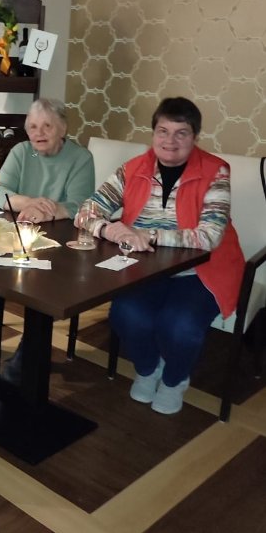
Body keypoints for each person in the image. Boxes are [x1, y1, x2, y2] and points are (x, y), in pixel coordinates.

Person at [81, 97, 244, 415]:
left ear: (195, 137)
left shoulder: (216, 172)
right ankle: (148, 368)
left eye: (181, 133)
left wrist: (150, 236)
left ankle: (174, 380)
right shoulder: (133, 169)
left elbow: (210, 236)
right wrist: (110, 230)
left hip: (202, 270)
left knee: (179, 326)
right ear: (153, 133)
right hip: (146, 268)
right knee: (126, 314)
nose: (170, 141)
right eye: (163, 131)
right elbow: (87, 210)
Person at [0, 98, 95, 381]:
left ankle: (29, 353)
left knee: (44, 283)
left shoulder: (81, 158)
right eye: (32, 126)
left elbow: (80, 205)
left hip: (60, 240)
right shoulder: (21, 151)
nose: (39, 133)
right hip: (20, 230)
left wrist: (49, 210)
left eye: (47, 126)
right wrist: (31, 203)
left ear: (63, 128)